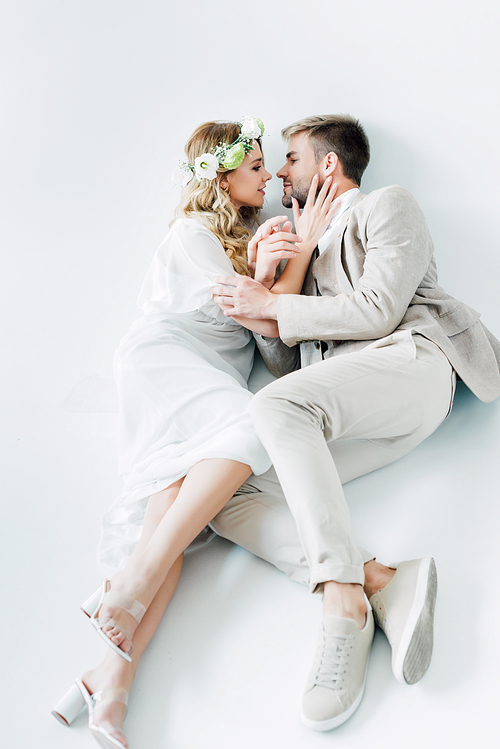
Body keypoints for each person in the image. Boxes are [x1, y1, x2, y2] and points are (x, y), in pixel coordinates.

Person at [51, 117, 339, 749]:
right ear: (220, 171)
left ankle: (110, 686)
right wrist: (284, 260)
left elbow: (273, 342)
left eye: (267, 166)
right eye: (257, 166)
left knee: (173, 521)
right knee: (252, 423)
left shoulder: (245, 239)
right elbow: (245, 308)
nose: (267, 178)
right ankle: (129, 584)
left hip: (200, 376)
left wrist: (287, 259)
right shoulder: (191, 231)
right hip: (165, 360)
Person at [211, 114, 500, 731]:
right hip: (343, 407)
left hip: (410, 366)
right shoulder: (303, 251)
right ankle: (380, 584)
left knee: (273, 406)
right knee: (226, 496)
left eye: (289, 158)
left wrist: (273, 307)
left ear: (328, 165)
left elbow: (376, 309)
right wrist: (273, 282)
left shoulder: (389, 206)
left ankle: (341, 612)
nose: (280, 173)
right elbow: (284, 361)